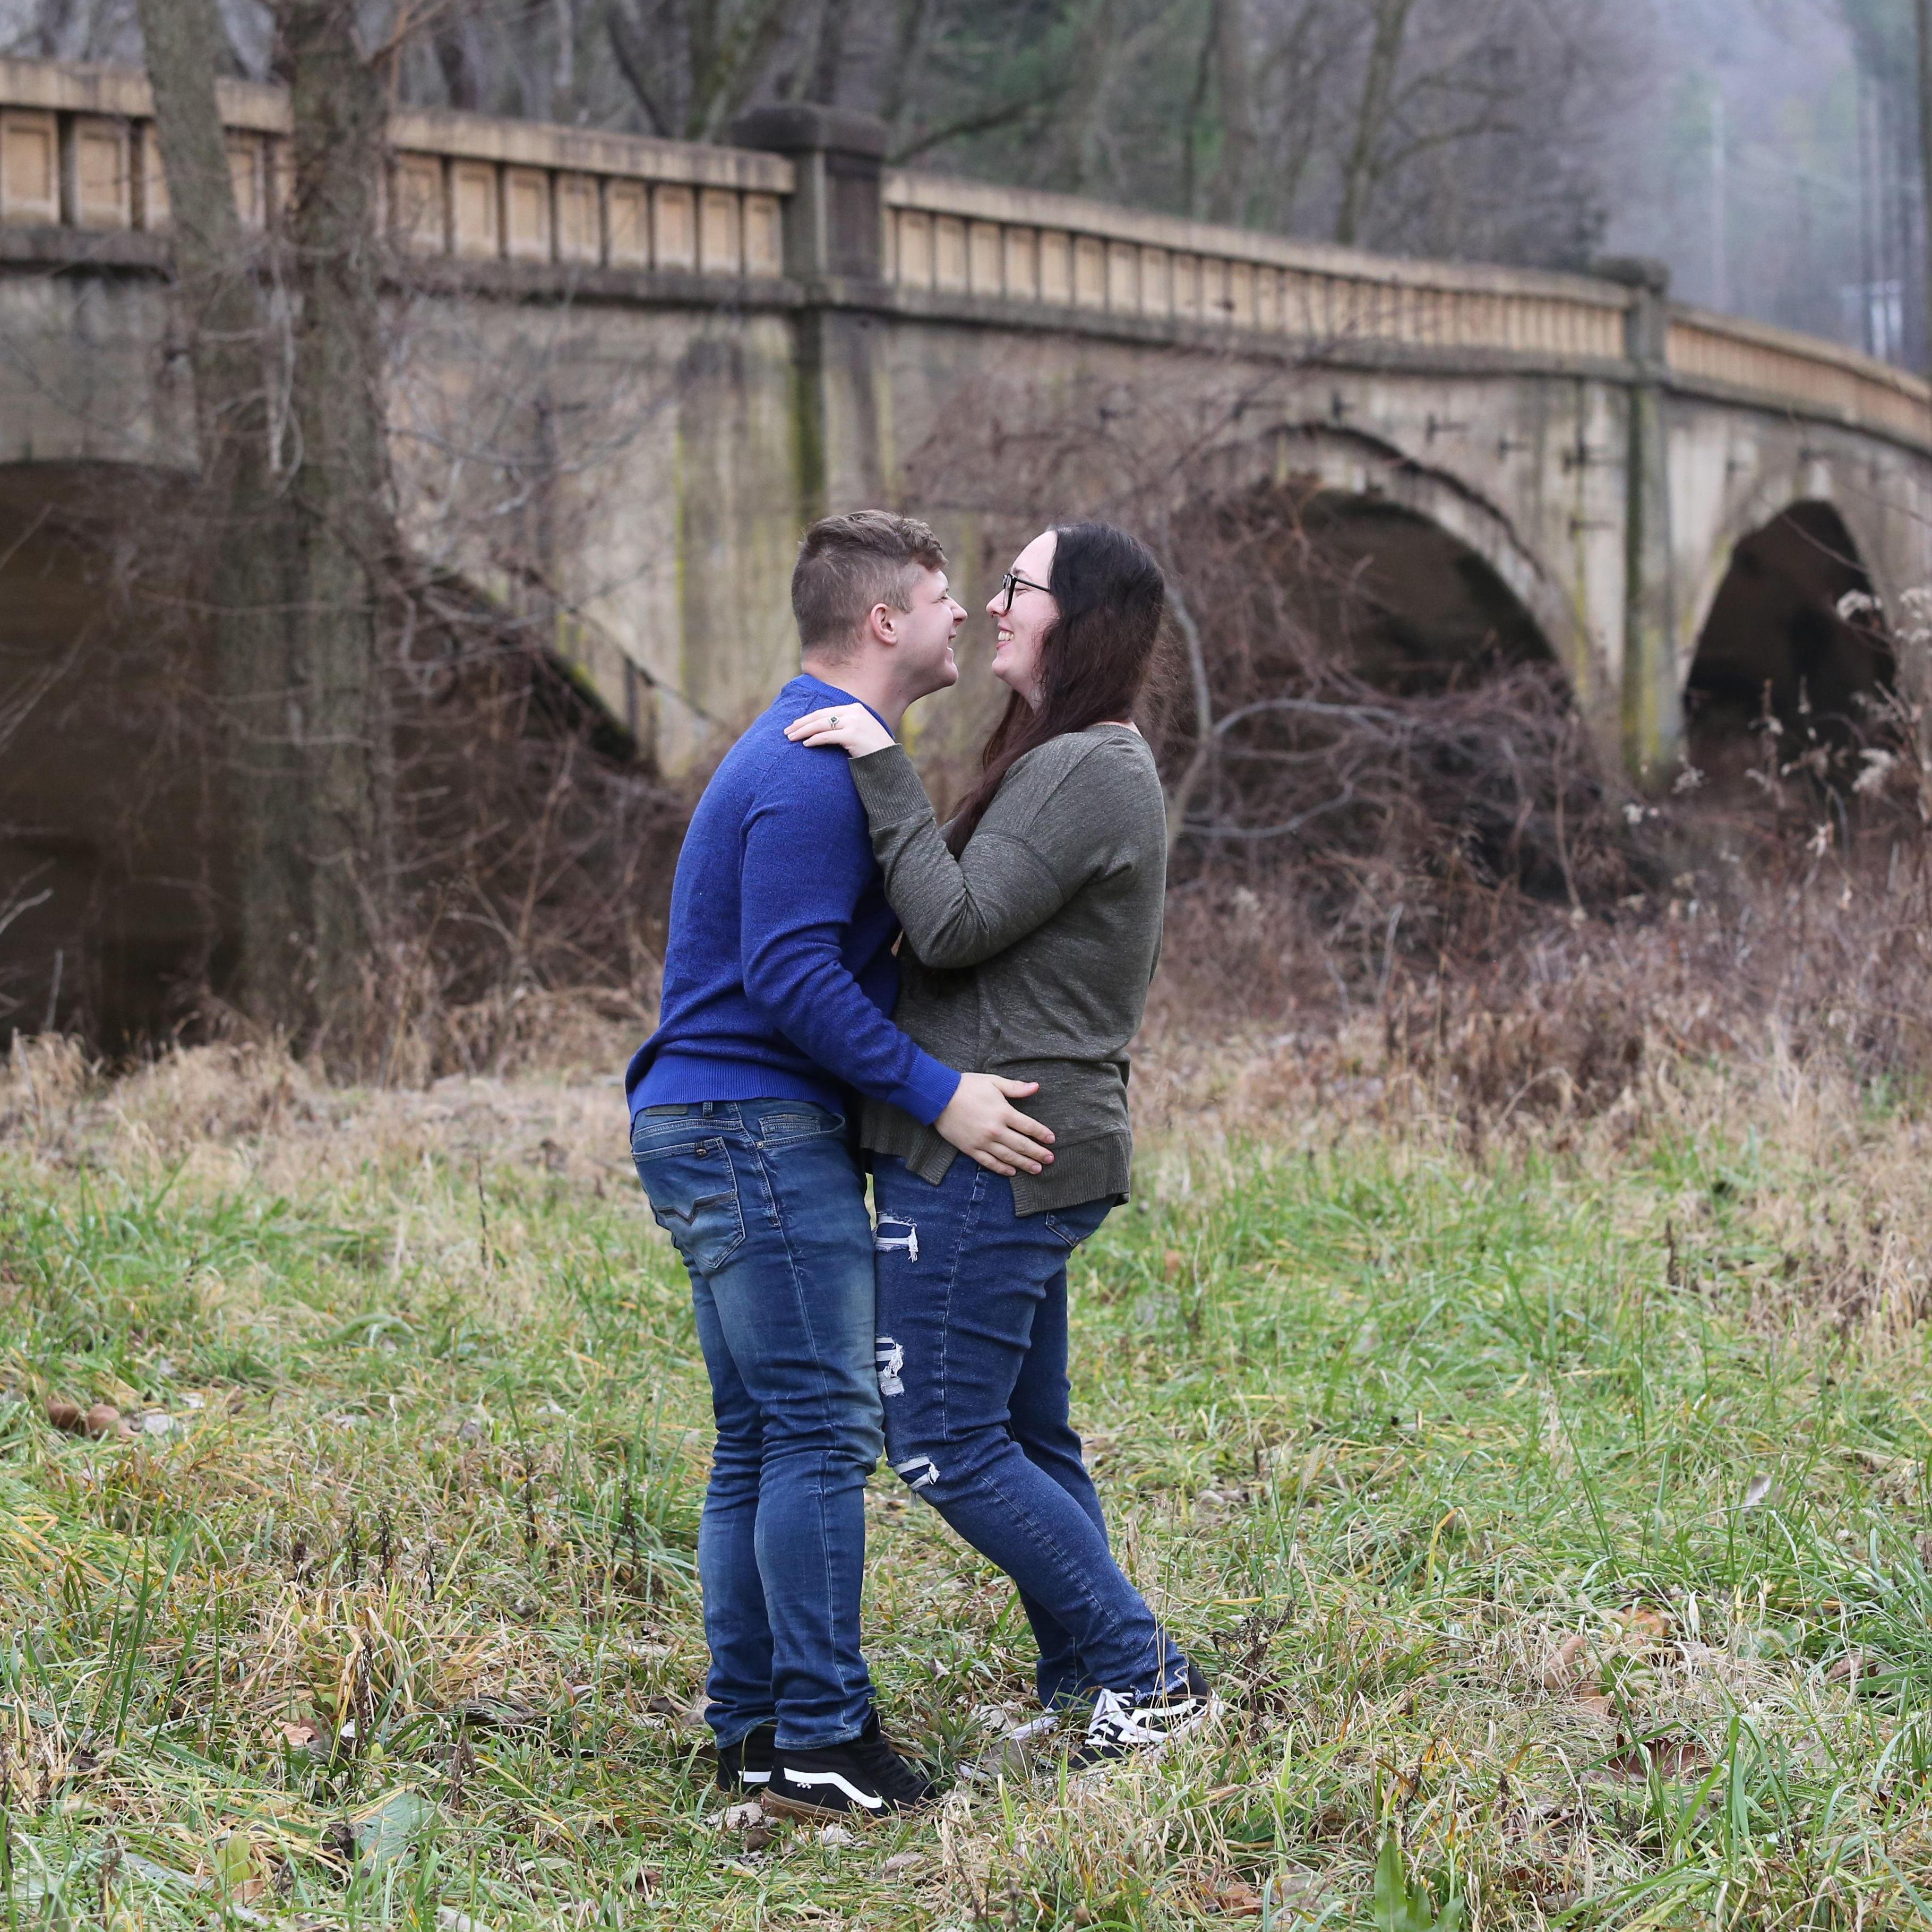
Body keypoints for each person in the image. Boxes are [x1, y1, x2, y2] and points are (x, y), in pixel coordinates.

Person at [625, 511, 1060, 1822]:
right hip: (754, 1129)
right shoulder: (810, 771)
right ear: (883, 621)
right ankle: (819, 1734)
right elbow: (793, 975)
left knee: (758, 1435)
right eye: (940, 597)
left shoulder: (803, 746)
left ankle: (754, 1726)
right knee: (818, 1428)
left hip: (707, 1122)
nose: (961, 616)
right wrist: (945, 1097)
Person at [784, 521, 1215, 1771]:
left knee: (941, 1439)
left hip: (997, 1144)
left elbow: (956, 924)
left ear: (1073, 618)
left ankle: (1143, 1673)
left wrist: (878, 762)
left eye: (1017, 587)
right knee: (1026, 1437)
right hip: (1008, 1137)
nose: (991, 602)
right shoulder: (1061, 757)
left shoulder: (1089, 765)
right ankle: (1095, 1679)